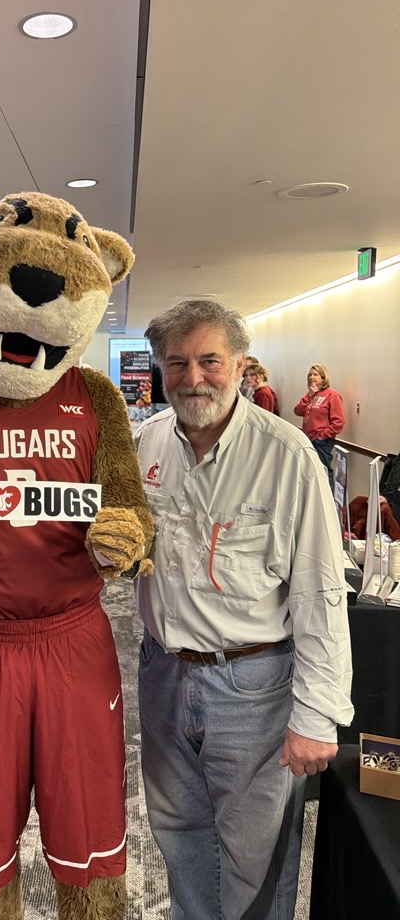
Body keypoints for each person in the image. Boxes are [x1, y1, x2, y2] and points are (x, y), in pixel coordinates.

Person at [135, 299, 353, 920]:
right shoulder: (144, 443)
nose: (193, 378)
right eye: (176, 363)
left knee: (256, 851)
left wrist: (318, 714)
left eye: (209, 361)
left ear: (239, 364)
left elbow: (319, 592)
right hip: (162, 672)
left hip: (253, 685)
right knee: (178, 835)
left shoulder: (287, 456)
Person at [293, 363, 345, 486]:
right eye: (310, 374)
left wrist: (322, 435)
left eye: (315, 374)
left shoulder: (332, 395)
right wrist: (309, 396)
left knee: (323, 471)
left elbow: (339, 422)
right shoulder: (310, 395)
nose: (312, 377)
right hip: (308, 439)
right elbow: (297, 411)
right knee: (310, 473)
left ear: (323, 377)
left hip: (322, 441)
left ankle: (328, 497)